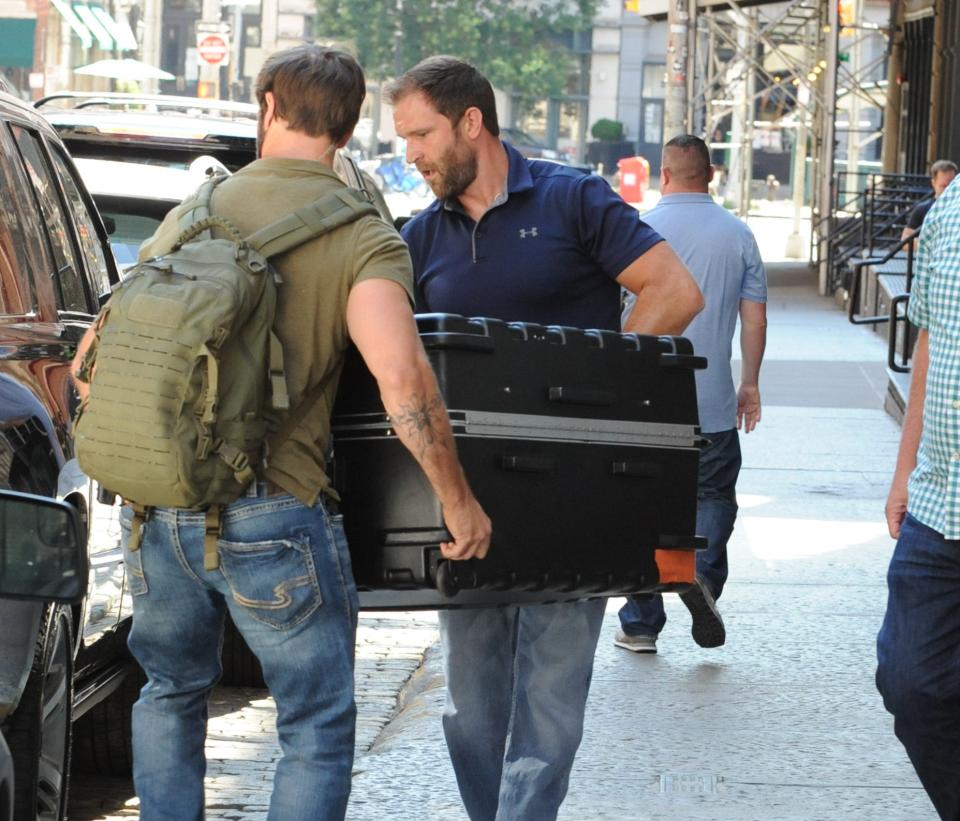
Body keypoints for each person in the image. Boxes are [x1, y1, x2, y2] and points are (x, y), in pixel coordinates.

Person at [72, 45, 491, 821]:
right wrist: (455, 499)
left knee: (169, 691)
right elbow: (402, 379)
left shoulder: (193, 212)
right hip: (277, 507)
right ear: (350, 124)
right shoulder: (363, 235)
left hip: (158, 509)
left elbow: (94, 366)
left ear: (267, 105)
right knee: (315, 721)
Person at [387, 56, 703, 821]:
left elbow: (674, 292)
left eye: (422, 133)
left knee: (552, 701)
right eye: (403, 139)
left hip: (576, 498)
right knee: (472, 704)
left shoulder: (572, 199)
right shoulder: (419, 236)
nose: (412, 154)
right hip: (466, 508)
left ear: (471, 122)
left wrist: (594, 398)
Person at [614, 134, 768, 655]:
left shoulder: (637, 229)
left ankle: (639, 623)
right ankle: (699, 575)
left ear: (664, 174)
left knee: (639, 503)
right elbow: (754, 318)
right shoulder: (739, 235)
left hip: (643, 400)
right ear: (711, 175)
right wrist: (750, 382)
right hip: (714, 400)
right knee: (712, 494)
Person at [877, 173, 960, 820]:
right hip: (938, 497)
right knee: (909, 681)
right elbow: (928, 344)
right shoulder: (949, 209)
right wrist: (904, 470)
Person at [900, 159, 957, 242]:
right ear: (933, 183)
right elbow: (905, 240)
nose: (948, 190)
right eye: (943, 186)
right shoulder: (922, 208)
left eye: (951, 185)